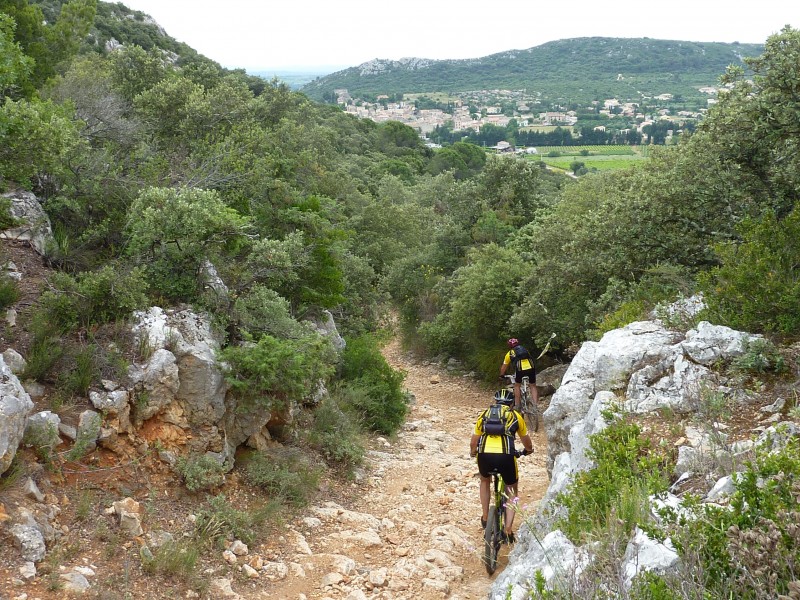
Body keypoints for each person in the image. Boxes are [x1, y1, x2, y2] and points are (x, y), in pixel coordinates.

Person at [470, 389, 534, 544]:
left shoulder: (484, 415)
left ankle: (486, 517)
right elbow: (526, 441)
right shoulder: (515, 416)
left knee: (485, 480)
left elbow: (474, 441)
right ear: (511, 404)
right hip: (506, 457)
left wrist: (473, 452)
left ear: (496, 402)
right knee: (511, 489)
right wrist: (528, 450)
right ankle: (508, 529)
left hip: (484, 456)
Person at [500, 338, 539, 410]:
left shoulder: (510, 353)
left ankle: (517, 405)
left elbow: (504, 367)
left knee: (517, 385)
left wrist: (501, 375)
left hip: (520, 369)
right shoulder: (525, 349)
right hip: (531, 368)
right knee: (533, 386)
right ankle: (535, 405)